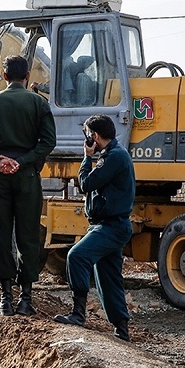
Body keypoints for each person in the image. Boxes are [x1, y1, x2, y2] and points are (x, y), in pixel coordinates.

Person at [0, 55, 57, 316]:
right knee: (28, 235)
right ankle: (26, 300)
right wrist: (22, 160)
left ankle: (5, 299)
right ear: (27, 76)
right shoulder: (39, 103)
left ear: (4, 77)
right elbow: (48, 142)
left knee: (0, 234)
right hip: (27, 176)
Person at [54, 114, 135, 342]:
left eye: (89, 135)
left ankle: (78, 313)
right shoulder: (114, 154)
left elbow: (87, 183)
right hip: (109, 225)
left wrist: (86, 158)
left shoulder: (114, 157)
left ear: (95, 136)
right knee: (107, 277)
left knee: (76, 256)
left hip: (112, 226)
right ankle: (121, 330)